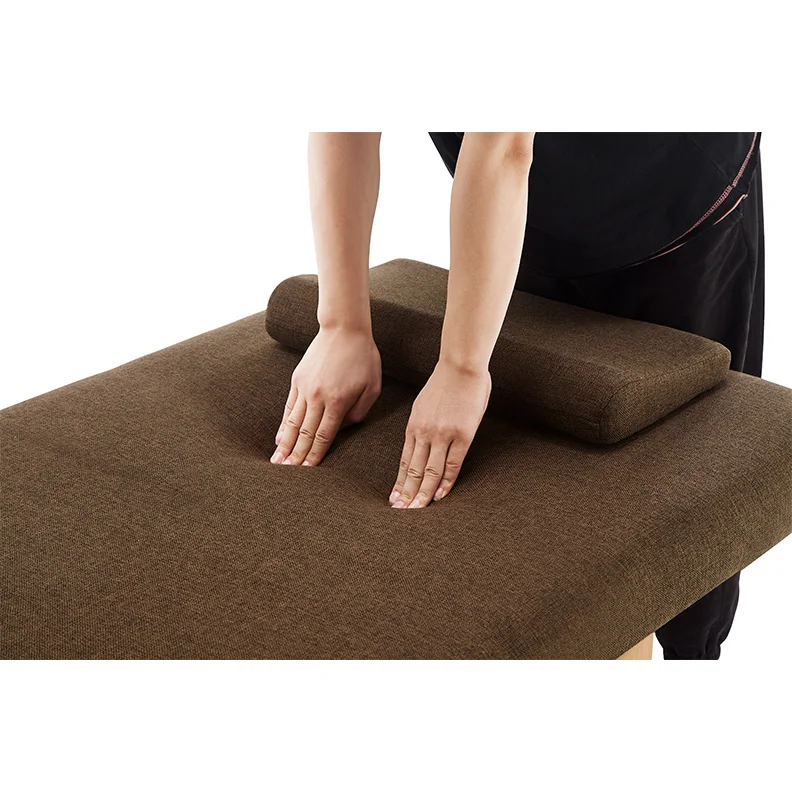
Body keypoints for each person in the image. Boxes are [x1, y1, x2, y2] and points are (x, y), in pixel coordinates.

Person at [270, 132, 764, 660]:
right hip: (535, 201)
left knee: (679, 492)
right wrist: (341, 322)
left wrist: (462, 367)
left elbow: (503, 147)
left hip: (672, 195)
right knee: (568, 523)